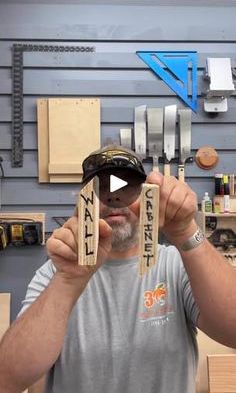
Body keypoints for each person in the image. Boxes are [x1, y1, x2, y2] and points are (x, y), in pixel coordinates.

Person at [0, 144, 236, 393]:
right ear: (82, 203)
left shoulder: (175, 266)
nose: (113, 197)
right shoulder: (55, 273)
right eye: (101, 189)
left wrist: (185, 231)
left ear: (149, 198)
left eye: (126, 187)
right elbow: (7, 379)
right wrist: (68, 281)